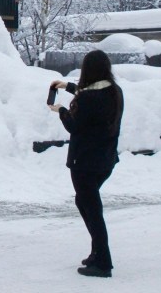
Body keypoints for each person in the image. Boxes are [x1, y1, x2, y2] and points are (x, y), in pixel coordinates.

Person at [49, 49, 124, 278]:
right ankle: (96, 253)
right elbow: (92, 97)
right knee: (86, 204)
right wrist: (67, 86)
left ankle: (103, 262)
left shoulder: (88, 99)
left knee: (91, 209)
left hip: (84, 163)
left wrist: (61, 110)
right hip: (105, 160)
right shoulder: (114, 92)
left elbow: (74, 125)